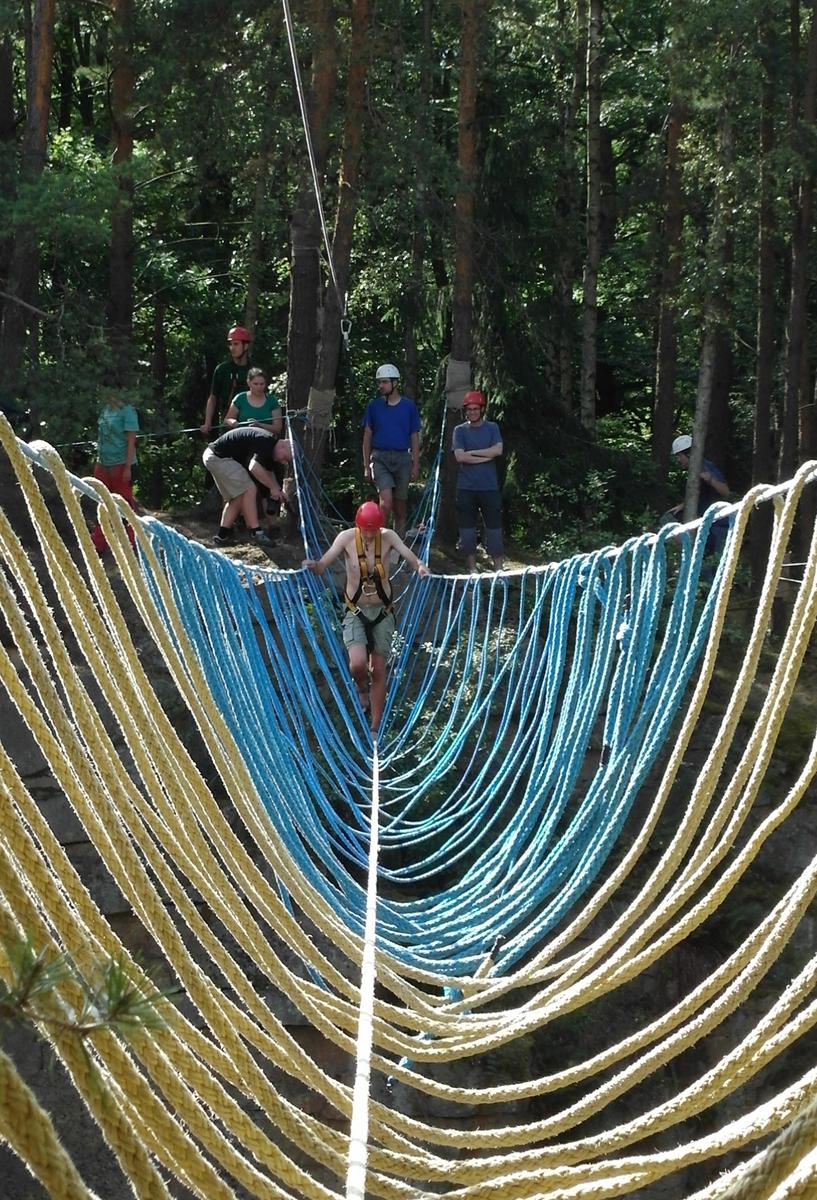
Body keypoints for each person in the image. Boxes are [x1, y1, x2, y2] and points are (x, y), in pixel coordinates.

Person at [302, 500, 430, 735]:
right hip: (355, 610)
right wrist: (313, 565)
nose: (369, 535)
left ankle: (375, 727)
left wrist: (420, 566)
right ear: (357, 526)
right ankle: (361, 687)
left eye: (374, 530)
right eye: (365, 530)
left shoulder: (388, 537)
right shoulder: (346, 538)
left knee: (379, 669)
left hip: (382, 611)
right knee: (358, 663)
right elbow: (322, 565)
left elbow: (411, 558)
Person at [202, 426, 292, 548]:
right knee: (249, 489)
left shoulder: (271, 446)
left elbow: (268, 472)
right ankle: (256, 532)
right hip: (218, 457)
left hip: (214, 457)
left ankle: (222, 536)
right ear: (282, 447)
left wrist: (278, 490)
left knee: (237, 498)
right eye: (285, 458)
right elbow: (253, 467)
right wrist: (273, 488)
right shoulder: (266, 442)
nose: (283, 462)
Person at [361, 363, 421, 536]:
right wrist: (366, 466)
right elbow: (367, 436)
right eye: (379, 382)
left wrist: (415, 464)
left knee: (400, 507)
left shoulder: (409, 407)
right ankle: (379, 541)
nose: (381, 386)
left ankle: (397, 545)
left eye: (385, 382)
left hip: (403, 458)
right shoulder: (373, 406)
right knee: (385, 503)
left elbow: (414, 436)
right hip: (380, 458)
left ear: (395, 383)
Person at [452, 390, 504, 572]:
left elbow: (498, 450)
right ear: (465, 410)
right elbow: (460, 457)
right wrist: (486, 456)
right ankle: (472, 568)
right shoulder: (459, 430)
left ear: (481, 409)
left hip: (489, 487)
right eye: (469, 409)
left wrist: (473, 453)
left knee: (494, 528)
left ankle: (499, 569)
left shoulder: (492, 428)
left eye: (476, 409)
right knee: (467, 530)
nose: (473, 412)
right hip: (466, 487)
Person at [90, 393, 139, 555]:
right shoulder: (105, 410)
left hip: (121, 465)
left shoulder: (128, 411)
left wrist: (127, 468)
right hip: (103, 464)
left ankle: (130, 543)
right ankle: (98, 543)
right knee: (102, 503)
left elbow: (131, 441)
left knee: (125, 506)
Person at [670, 433, 730, 558]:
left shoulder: (705, 466)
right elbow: (701, 495)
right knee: (669, 519)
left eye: (679, 456)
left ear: (688, 454)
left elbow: (726, 491)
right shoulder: (693, 471)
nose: (678, 460)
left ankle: (689, 549)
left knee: (709, 561)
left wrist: (711, 480)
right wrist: (684, 505)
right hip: (706, 522)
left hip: (716, 524)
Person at [200, 324, 253, 436]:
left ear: (246, 346)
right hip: (228, 423)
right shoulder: (222, 369)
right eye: (230, 344)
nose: (232, 348)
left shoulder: (254, 370)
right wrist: (207, 422)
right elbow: (213, 397)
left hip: (251, 422)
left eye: (236, 344)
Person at [225, 367, 283, 434]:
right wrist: (232, 422)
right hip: (243, 436)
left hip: (266, 437)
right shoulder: (240, 398)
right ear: (249, 383)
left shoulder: (272, 401)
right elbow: (227, 420)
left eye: (262, 384)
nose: (259, 387)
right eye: (255, 384)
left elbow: (278, 428)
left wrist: (259, 425)